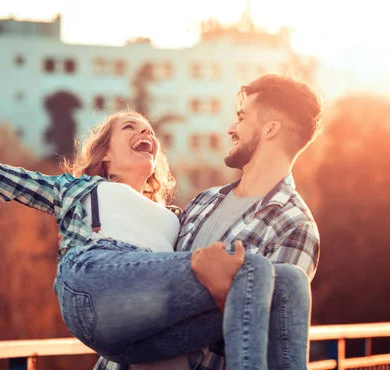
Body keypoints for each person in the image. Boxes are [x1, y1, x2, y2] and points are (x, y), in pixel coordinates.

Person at [0, 75, 315, 369]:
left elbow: (192, 293)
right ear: (106, 157)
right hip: (93, 283)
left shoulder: (180, 217)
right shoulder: (80, 190)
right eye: (129, 129)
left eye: (149, 131)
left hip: (143, 331)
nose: (145, 133)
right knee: (253, 272)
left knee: (286, 279)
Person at [95, 74, 322, 370]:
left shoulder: (294, 226)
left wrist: (220, 288)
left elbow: (270, 341)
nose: (231, 129)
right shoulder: (204, 201)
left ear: (271, 129)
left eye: (241, 118)